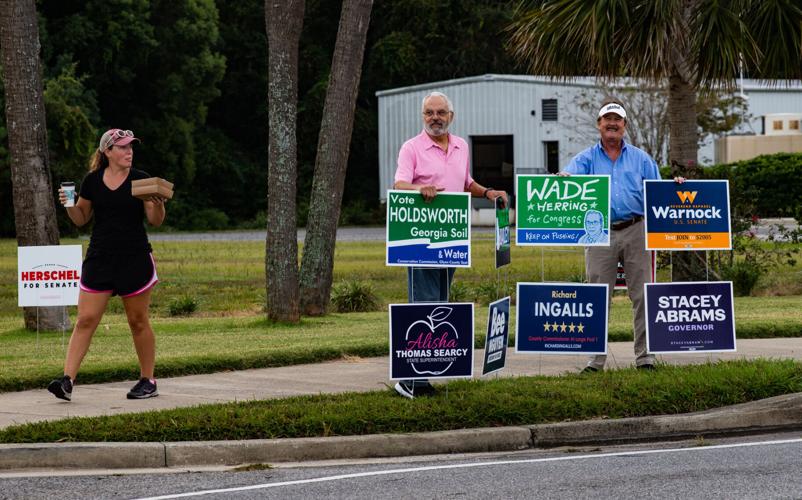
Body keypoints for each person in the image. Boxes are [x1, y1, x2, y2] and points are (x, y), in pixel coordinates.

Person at [392, 91, 508, 398]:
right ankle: (410, 381)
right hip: (419, 238)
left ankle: (425, 374)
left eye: (440, 112)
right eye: (429, 113)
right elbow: (399, 183)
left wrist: (488, 193)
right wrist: (420, 189)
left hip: (453, 238)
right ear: (423, 116)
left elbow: (465, 182)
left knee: (439, 305)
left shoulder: (461, 146)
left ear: (451, 116)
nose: (435, 118)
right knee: (423, 304)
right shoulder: (411, 147)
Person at [562, 99, 682, 372]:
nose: (612, 124)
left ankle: (645, 358)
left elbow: (658, 192)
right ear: (599, 124)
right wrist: (564, 177)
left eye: (617, 119)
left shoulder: (641, 159)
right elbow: (569, 178)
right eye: (608, 119)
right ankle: (595, 361)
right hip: (599, 233)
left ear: (625, 125)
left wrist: (675, 188)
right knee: (597, 297)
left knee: (642, 295)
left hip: (636, 229)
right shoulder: (586, 158)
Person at [47, 129, 166, 401]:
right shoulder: (92, 181)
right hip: (99, 258)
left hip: (134, 258)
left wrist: (158, 204)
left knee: (137, 321)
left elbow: (155, 220)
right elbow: (81, 218)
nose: (129, 152)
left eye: (131, 147)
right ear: (107, 152)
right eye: (123, 147)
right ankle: (67, 381)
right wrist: (69, 204)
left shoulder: (141, 179)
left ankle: (148, 380)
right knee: (86, 319)